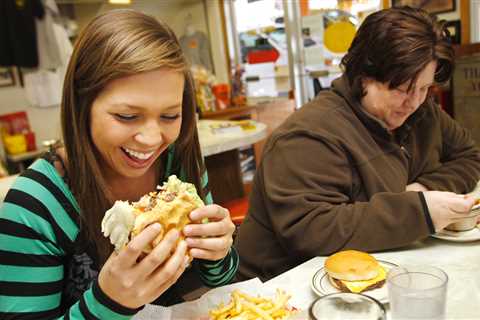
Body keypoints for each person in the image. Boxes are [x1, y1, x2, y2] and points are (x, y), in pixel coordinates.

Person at [0, 9, 237, 319]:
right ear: (83, 106)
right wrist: (108, 302)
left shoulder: (178, 164)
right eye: (127, 116)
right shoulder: (34, 205)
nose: (152, 139)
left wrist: (219, 253)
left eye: (169, 115)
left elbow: (219, 278)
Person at [234, 6, 480, 282]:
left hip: (375, 271)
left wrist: (423, 188)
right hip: (277, 288)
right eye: (401, 89)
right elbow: (311, 231)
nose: (414, 102)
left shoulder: (424, 112)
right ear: (364, 75)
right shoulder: (308, 135)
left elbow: (470, 156)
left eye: (424, 88)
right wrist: (418, 209)